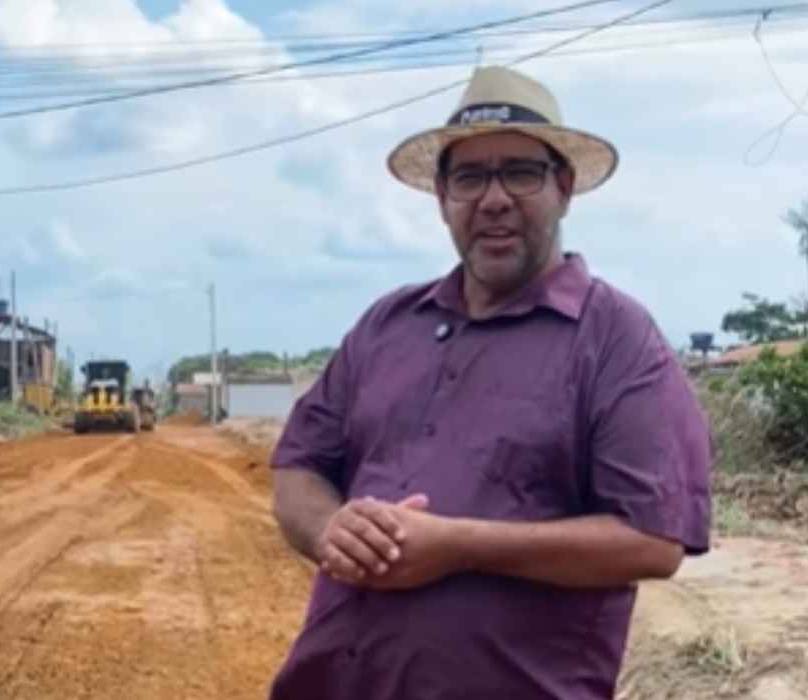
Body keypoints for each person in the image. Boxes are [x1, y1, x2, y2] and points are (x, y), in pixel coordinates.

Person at [266, 65, 713, 699]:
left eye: (520, 173)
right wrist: (329, 530)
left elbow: (653, 541)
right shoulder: (388, 325)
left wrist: (457, 545)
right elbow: (298, 467)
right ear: (442, 196)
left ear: (563, 187)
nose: (494, 198)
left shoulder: (615, 338)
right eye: (470, 177)